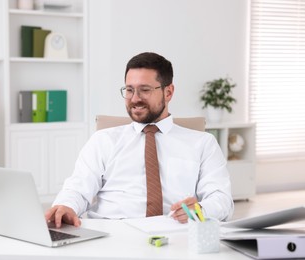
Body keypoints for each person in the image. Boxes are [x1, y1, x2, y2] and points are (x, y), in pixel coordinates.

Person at [45, 52, 234, 228]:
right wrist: (66, 206)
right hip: (113, 234)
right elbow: (77, 188)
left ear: (168, 92)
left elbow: (222, 200)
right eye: (129, 90)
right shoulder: (103, 141)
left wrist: (201, 209)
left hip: (174, 235)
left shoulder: (202, 143)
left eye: (144, 90)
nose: (135, 99)